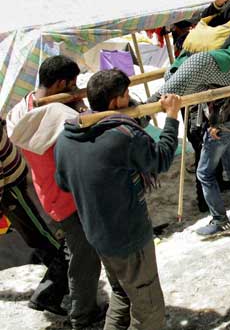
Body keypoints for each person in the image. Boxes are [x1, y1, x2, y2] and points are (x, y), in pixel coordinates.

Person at [55, 69, 181, 330]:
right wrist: (171, 117)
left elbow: (63, 183)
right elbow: (161, 159)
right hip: (129, 240)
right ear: (115, 102)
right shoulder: (122, 135)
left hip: (98, 236)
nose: (128, 100)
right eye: (126, 96)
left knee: (122, 295)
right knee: (148, 311)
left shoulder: (66, 137)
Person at [7, 55, 105, 328]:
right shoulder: (60, 118)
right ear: (62, 83)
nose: (75, 91)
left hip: (49, 193)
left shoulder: (20, 110)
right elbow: (89, 136)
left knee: (74, 251)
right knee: (84, 257)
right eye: (72, 86)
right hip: (71, 197)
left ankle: (60, 298)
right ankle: (83, 315)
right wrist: (80, 107)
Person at [0, 117, 69, 317]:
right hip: (11, 192)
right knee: (43, 238)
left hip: (13, 183)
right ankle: (46, 295)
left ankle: (58, 282)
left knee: (38, 237)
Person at [195, 95, 230, 236]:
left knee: (204, 174)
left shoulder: (213, 72)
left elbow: (218, 96)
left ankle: (220, 220)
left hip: (221, 123)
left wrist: (214, 123)